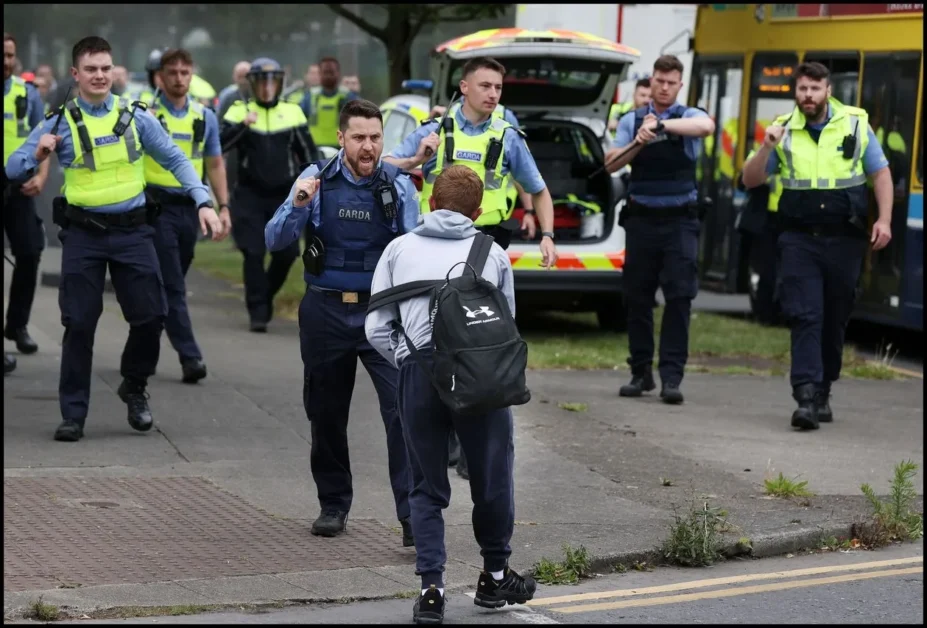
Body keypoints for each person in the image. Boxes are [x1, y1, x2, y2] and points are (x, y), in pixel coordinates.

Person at [5, 35, 221, 442]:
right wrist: (37, 155)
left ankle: (134, 385)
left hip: (134, 232)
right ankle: (73, 415)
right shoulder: (58, 121)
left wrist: (203, 200)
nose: (100, 75)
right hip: (83, 236)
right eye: (91, 69)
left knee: (152, 316)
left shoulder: (136, 116)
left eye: (105, 68)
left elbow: (175, 158)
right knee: (79, 323)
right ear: (76, 74)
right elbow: (12, 165)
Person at [365, 165, 535, 625]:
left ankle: (432, 591)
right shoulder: (492, 253)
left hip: (420, 375)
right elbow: (505, 325)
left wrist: (408, 358)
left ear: (431, 203)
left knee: (426, 485)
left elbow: (376, 326)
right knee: (492, 479)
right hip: (480, 379)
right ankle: (494, 575)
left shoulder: (398, 250)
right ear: (478, 212)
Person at [264, 98, 418, 543]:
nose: (368, 147)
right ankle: (333, 505)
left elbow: (414, 248)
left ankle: (412, 517)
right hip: (326, 310)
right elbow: (274, 240)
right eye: (359, 138)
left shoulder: (398, 185)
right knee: (326, 414)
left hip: (382, 314)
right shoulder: (316, 180)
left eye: (375, 138)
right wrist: (298, 205)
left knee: (403, 411)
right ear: (341, 139)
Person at [742, 61, 893, 431]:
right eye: (802, 89)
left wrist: (884, 219)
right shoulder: (783, 129)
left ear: (828, 90)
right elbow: (750, 179)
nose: (808, 96)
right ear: (796, 92)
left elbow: (880, 174)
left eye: (815, 89)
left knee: (835, 315)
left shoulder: (855, 122)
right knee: (805, 314)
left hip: (845, 239)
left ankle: (824, 387)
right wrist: (765, 148)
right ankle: (805, 395)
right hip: (799, 239)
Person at [605, 55, 715, 405]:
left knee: (680, 298)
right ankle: (640, 372)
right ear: (650, 82)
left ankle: (672, 377)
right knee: (637, 298)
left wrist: (664, 128)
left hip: (680, 221)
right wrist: (638, 140)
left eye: (671, 82)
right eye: (659, 81)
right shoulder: (631, 119)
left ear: (679, 85)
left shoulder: (689, 116)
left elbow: (706, 127)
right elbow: (610, 164)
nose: (664, 87)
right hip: (642, 220)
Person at [384, 56, 558, 261]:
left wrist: (547, 236)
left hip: (486, 243)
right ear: (464, 87)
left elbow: (538, 189)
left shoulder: (508, 137)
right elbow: (383, 168)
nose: (493, 94)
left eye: (498, 88)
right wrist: (415, 160)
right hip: (433, 241)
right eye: (485, 86)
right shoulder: (433, 130)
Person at [146, 48, 231, 383]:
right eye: (173, 72)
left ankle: (142, 348)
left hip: (190, 209)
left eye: (185, 72)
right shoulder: (148, 114)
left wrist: (223, 206)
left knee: (164, 285)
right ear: (161, 76)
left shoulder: (203, 116)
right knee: (174, 285)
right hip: (155, 206)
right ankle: (190, 356)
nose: (179, 79)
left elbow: (214, 163)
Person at [221, 57, 318, 331]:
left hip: (283, 195)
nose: (266, 87)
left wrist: (312, 183)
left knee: (287, 254)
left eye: (271, 81)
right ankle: (258, 312)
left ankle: (263, 297)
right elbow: (219, 144)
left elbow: (307, 153)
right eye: (261, 81)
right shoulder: (239, 110)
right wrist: (243, 125)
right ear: (251, 84)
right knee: (252, 252)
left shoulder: (292, 112)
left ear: (279, 83)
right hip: (249, 194)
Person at [4, 32, 49, 356]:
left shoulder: (28, 93)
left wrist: (42, 175)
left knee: (31, 251)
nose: (6, 62)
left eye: (9, 56)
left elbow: (47, 136)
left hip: (18, 184)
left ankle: (17, 324)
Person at [304, 56, 357, 149]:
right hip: (314, 149)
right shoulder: (310, 97)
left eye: (331, 72)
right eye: (325, 72)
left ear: (338, 73)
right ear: (320, 74)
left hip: (341, 149)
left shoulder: (348, 97)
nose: (328, 76)